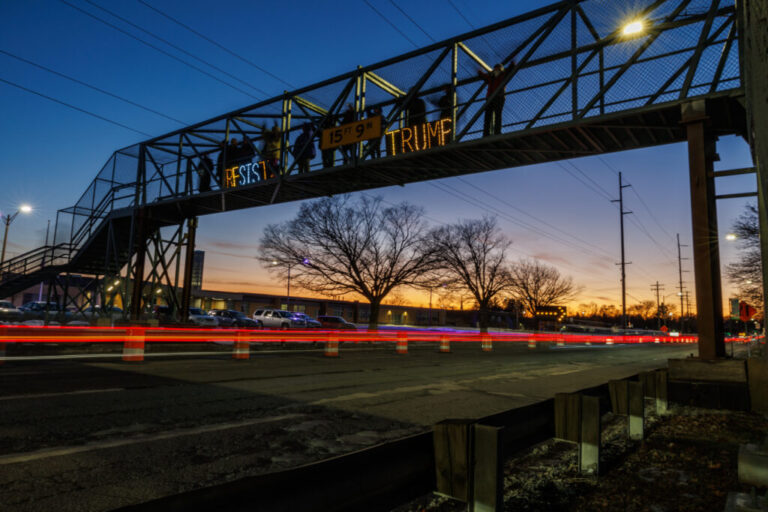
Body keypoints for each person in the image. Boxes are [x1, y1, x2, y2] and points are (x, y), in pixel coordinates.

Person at [478, 63, 506, 136]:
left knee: (496, 115)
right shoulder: (492, 77)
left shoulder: (501, 76)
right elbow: (484, 76)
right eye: (495, 69)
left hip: (498, 97)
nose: (495, 70)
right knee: (489, 116)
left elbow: (485, 77)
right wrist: (480, 72)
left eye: (497, 69)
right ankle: (487, 133)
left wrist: (512, 65)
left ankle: (496, 132)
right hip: (492, 97)